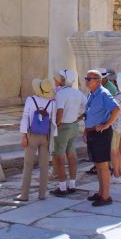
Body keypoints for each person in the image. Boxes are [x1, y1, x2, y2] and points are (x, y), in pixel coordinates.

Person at [82, 69, 120, 207]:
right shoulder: (91, 94)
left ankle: (106, 196)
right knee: (98, 164)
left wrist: (106, 124)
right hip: (92, 132)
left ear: (98, 81)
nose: (86, 81)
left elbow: (116, 109)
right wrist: (86, 130)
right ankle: (100, 192)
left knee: (103, 165)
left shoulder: (104, 93)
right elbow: (89, 113)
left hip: (101, 133)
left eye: (89, 79)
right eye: (86, 78)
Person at [18, 78, 56, 201]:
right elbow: (53, 123)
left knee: (28, 165)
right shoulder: (52, 103)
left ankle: (24, 195)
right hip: (46, 136)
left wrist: (23, 135)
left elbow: (25, 118)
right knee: (44, 166)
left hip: (32, 135)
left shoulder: (31, 100)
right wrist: (52, 140)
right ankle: (42, 194)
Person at [50, 69, 84, 197]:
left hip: (63, 127)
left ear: (64, 80)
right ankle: (72, 184)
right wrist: (80, 117)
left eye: (58, 78)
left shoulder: (61, 94)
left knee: (59, 156)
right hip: (74, 126)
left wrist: (57, 123)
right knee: (71, 154)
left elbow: (59, 111)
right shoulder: (77, 93)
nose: (56, 80)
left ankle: (62, 187)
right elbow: (88, 105)